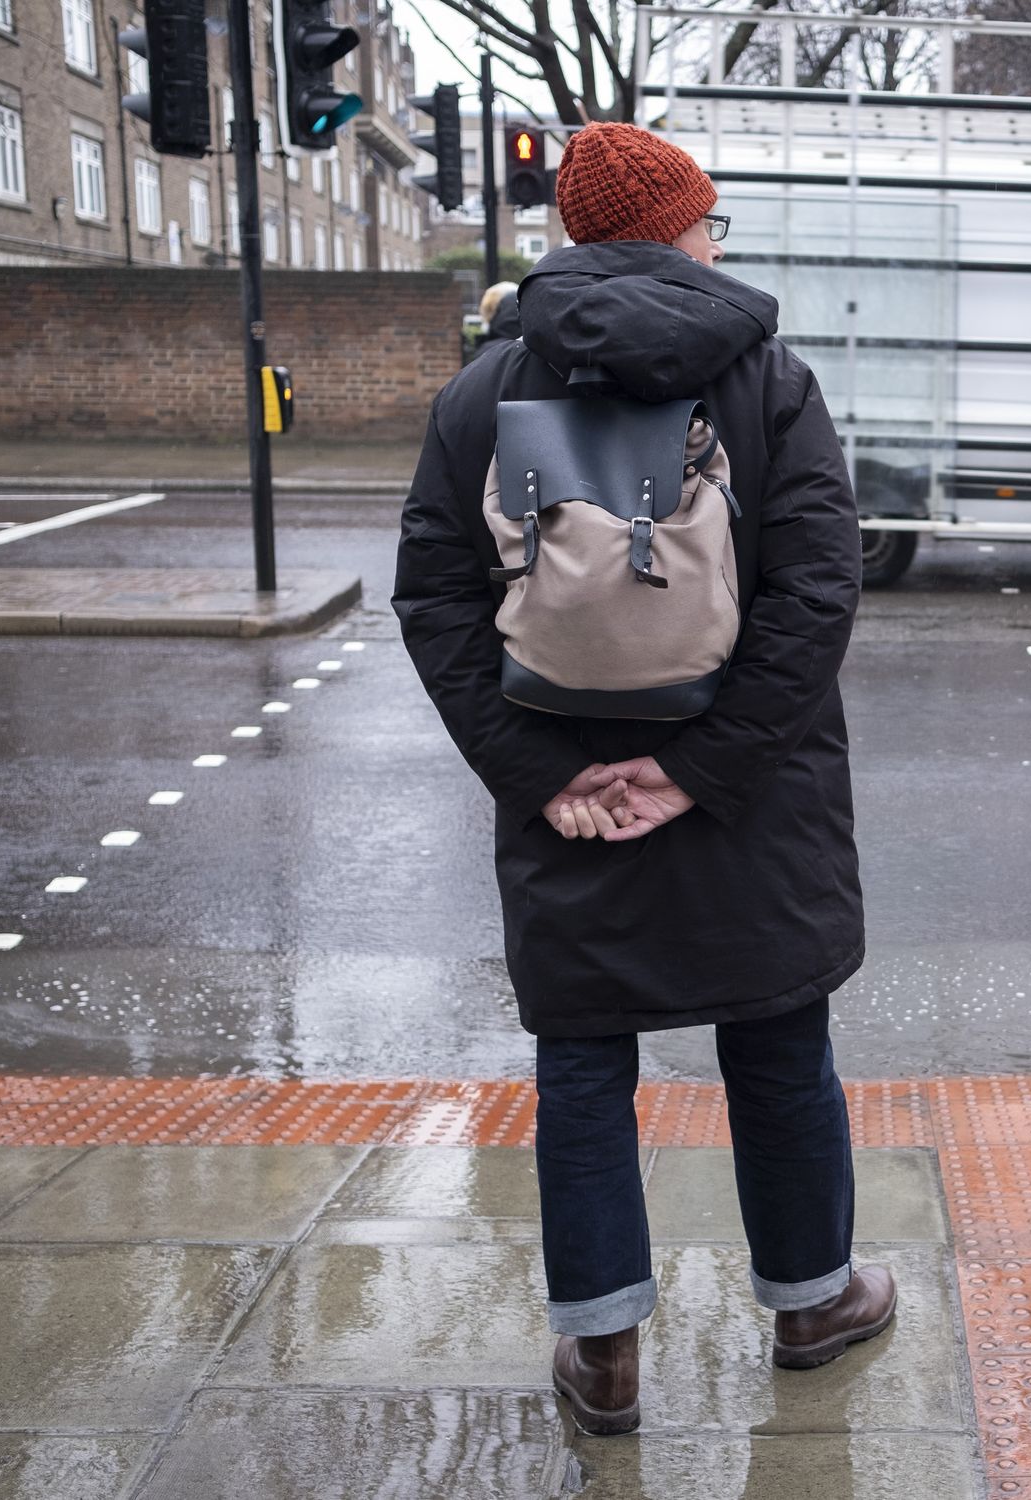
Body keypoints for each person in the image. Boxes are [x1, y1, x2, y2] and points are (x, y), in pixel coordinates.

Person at [392, 121, 888, 1439]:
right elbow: (816, 597)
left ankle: (603, 1352)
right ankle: (815, 1299)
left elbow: (435, 599)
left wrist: (541, 775)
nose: (715, 245)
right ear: (677, 232)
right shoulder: (770, 384)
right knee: (778, 1046)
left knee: (584, 1063)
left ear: (567, 239)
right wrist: (697, 769)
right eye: (709, 223)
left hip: (567, 790)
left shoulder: (483, 393)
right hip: (751, 800)